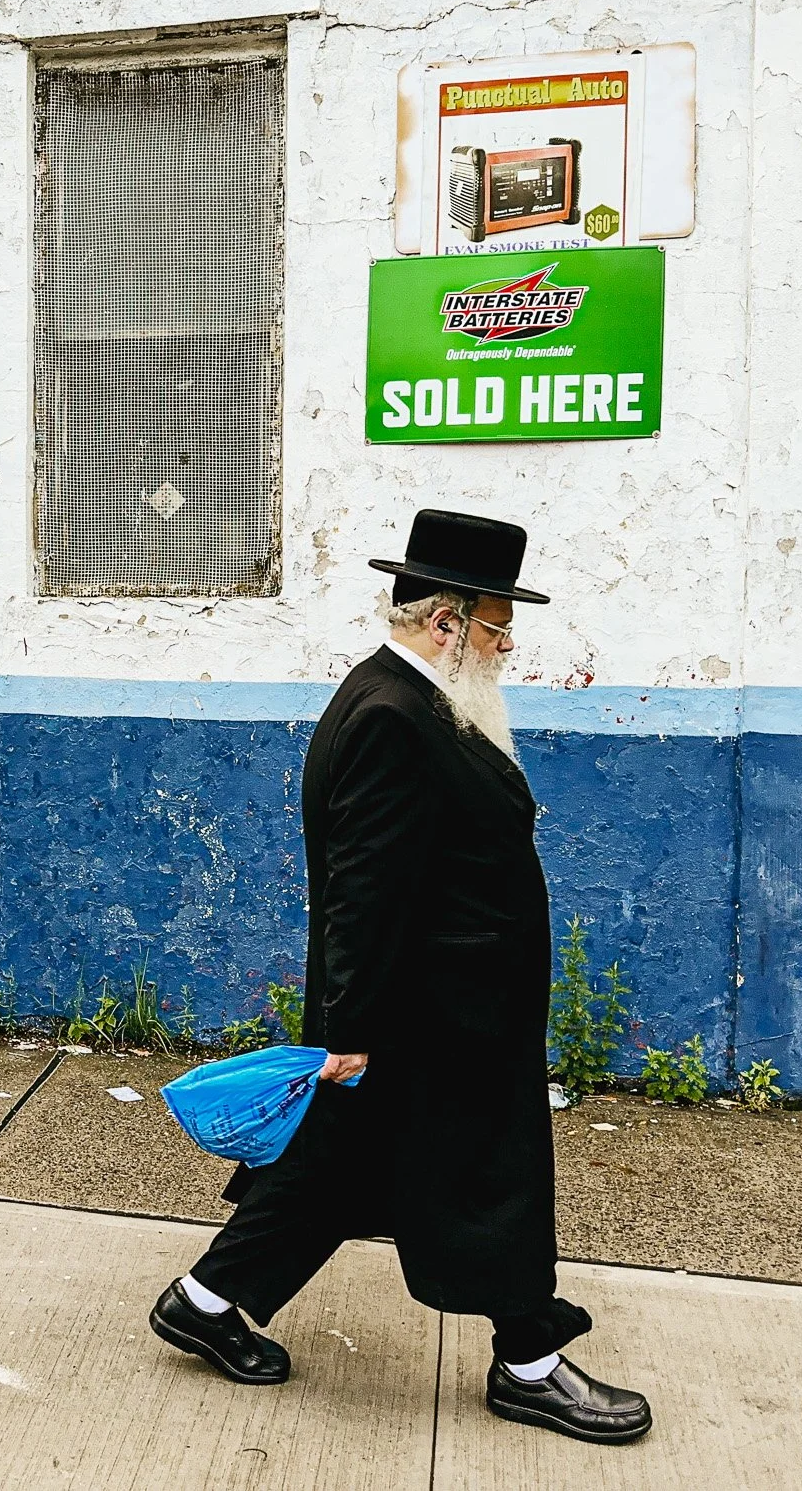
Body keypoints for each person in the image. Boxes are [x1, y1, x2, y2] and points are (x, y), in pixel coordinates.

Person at [149, 509, 652, 1446]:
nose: (508, 647)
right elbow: (365, 896)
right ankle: (528, 1362)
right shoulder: (393, 717)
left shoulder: (422, 702)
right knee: (493, 1178)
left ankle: (204, 1302)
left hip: (437, 1013)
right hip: (434, 1021)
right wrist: (351, 1033)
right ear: (447, 622)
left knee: (334, 1172)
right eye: (499, 628)